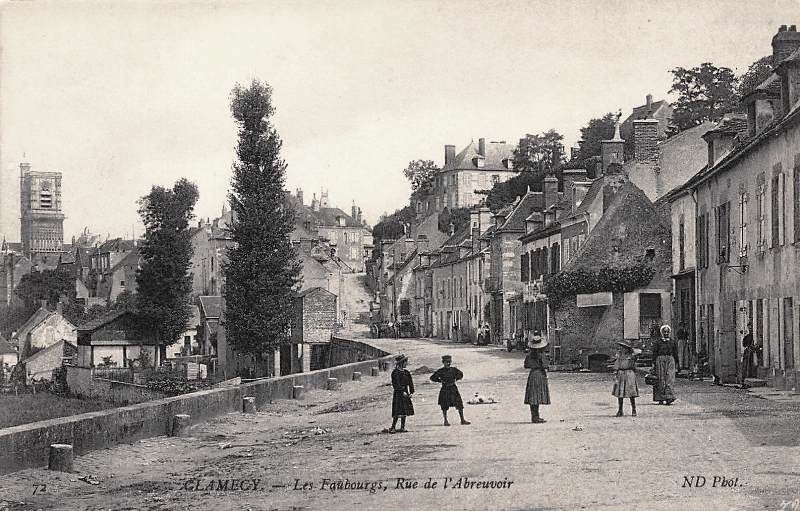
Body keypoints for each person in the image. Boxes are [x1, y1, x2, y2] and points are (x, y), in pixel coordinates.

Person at [430, 355, 471, 426]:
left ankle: (462, 420)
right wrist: (440, 381)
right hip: (445, 389)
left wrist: (456, 379)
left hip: (453, 388)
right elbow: (432, 377)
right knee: (444, 405)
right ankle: (445, 421)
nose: (448, 363)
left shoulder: (454, 369)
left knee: (459, 404)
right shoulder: (441, 371)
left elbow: (461, 374)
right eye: (446, 362)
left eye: (449, 362)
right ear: (443, 362)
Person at [524, 334, 550, 423]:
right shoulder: (542, 355)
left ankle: (534, 416)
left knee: (532, 397)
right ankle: (536, 417)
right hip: (540, 375)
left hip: (532, 375)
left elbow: (526, 365)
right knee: (537, 396)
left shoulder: (529, 355)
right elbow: (545, 365)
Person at [613, 342, 641, 416]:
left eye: (624, 348)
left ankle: (634, 410)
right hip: (621, 374)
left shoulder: (632, 356)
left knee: (631, 393)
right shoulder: (619, 356)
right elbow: (616, 365)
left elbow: (638, 353)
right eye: (621, 347)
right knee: (620, 393)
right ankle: (620, 410)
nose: (621, 349)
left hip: (629, 374)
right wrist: (615, 374)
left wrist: (632, 350)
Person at [652, 325, 679, 405]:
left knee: (669, 378)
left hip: (670, 360)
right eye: (664, 332)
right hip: (660, 360)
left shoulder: (672, 342)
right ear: (662, 332)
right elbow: (655, 353)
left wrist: (677, 364)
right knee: (661, 379)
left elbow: (675, 353)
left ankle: (669, 397)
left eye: (667, 332)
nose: (666, 333)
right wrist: (653, 363)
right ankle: (660, 398)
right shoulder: (658, 342)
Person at [389, 354, 414, 433]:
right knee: (397, 410)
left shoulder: (406, 372)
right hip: (398, 393)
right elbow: (395, 384)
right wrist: (401, 391)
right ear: (401, 363)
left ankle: (402, 427)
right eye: (405, 362)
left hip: (406, 392)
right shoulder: (395, 372)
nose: (406, 364)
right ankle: (393, 427)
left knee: (405, 409)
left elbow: (410, 383)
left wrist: (411, 392)